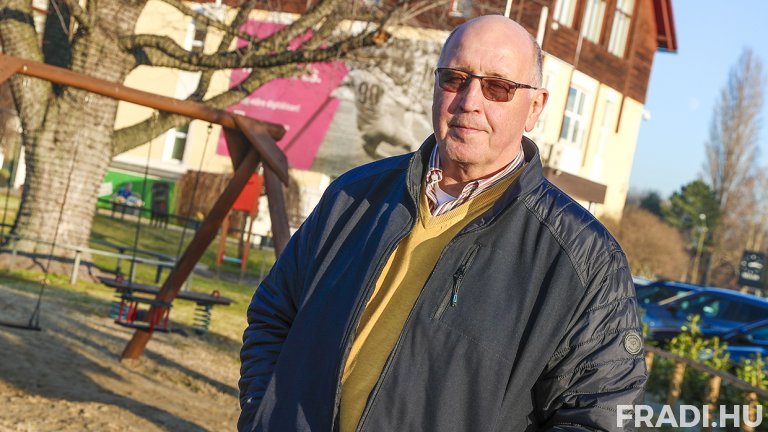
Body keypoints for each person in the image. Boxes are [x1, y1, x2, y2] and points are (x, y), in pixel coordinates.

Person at [239, 15, 646, 432]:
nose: (470, 101)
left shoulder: (585, 261)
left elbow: (598, 417)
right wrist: (261, 415)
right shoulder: (353, 196)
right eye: (455, 78)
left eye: (498, 87)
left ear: (535, 107)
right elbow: (274, 313)